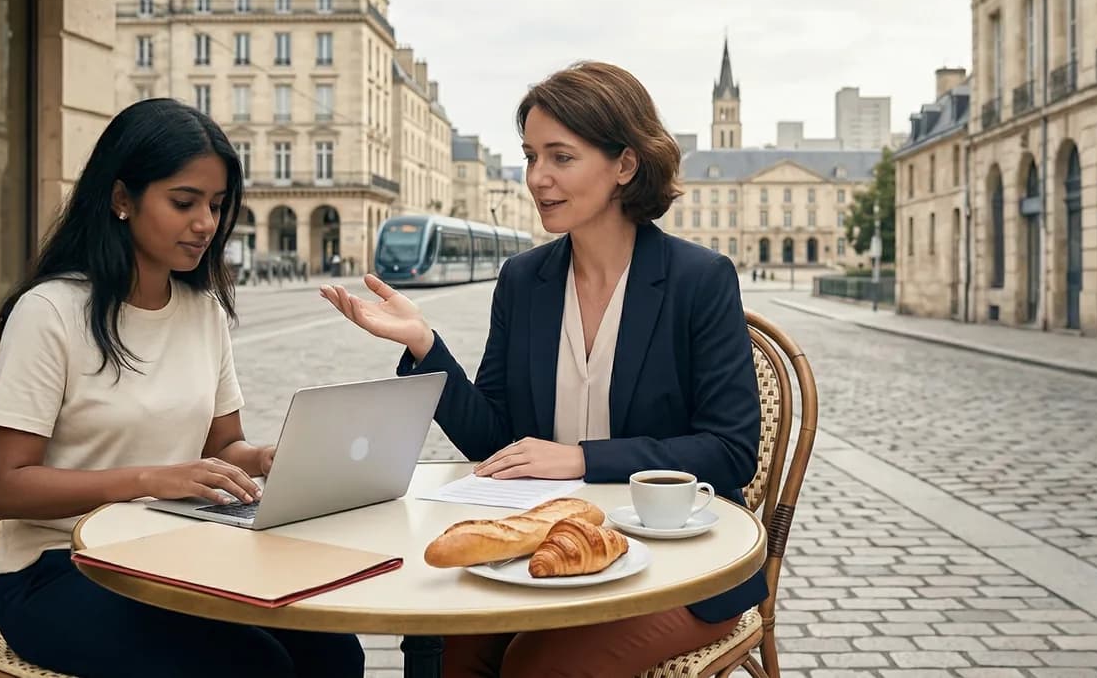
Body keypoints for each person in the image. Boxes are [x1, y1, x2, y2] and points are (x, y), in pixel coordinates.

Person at [321, 62, 766, 677]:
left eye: (561, 157)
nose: (537, 178)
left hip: (677, 565)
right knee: (448, 643)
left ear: (625, 166)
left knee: (536, 667)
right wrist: (425, 344)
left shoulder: (698, 280)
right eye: (531, 156)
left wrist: (582, 458)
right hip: (539, 547)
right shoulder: (524, 280)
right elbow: (495, 441)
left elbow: (730, 449)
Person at [0, 99, 364, 678]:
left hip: (175, 553)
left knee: (332, 649)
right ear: (121, 199)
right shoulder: (51, 312)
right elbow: (4, 488)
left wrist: (262, 460)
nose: (206, 223)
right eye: (184, 202)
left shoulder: (201, 309)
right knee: (252, 666)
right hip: (62, 569)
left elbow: (223, 446)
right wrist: (150, 479)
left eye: (215, 205)